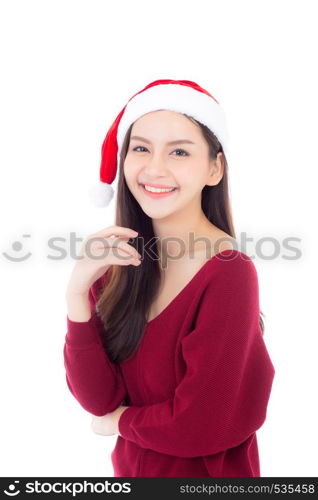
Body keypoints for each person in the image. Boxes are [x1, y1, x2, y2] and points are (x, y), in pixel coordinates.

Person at [63, 79, 275, 477]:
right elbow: (99, 399)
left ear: (215, 168)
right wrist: (77, 296)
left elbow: (203, 424)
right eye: (141, 148)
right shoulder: (115, 267)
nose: (154, 168)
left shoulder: (229, 272)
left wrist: (119, 423)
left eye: (179, 151)